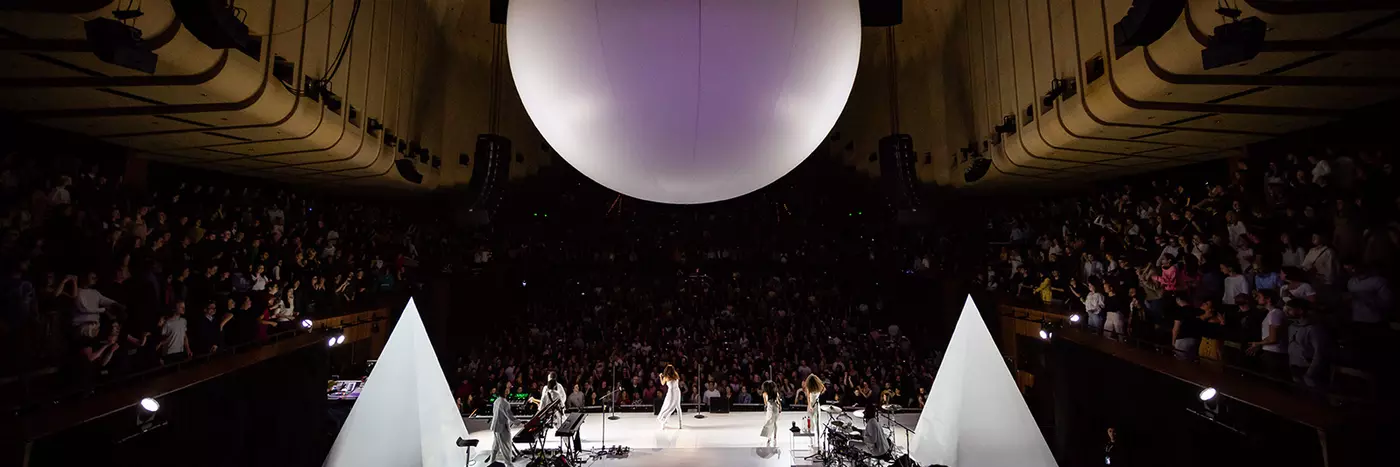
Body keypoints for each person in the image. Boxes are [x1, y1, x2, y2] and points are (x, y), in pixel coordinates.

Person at [1285, 301, 1333, 390]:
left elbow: (1319, 352)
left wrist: (1310, 373)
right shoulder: (1292, 327)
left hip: (1308, 368)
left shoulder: (1314, 328)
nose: (1287, 312)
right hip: (1295, 366)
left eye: (1290, 309)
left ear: (1300, 310)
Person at [490, 383, 520, 464]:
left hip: (496, 426)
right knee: (506, 447)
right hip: (502, 428)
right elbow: (510, 416)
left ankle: (491, 462)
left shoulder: (497, 400)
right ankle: (509, 464)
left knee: (495, 446)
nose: (509, 389)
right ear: (504, 391)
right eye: (507, 388)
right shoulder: (504, 403)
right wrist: (519, 422)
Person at [656, 364, 683, 430]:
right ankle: (680, 424)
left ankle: (663, 419)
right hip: (677, 391)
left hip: (671, 392)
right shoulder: (676, 375)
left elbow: (662, 384)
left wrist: (660, 376)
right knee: (678, 407)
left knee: (669, 406)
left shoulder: (666, 377)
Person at [759, 380, 781, 447]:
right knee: (773, 422)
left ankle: (771, 437)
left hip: (772, 408)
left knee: (771, 422)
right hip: (773, 408)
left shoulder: (768, 394)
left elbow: (766, 403)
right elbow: (777, 401)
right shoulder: (773, 393)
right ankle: (772, 437)